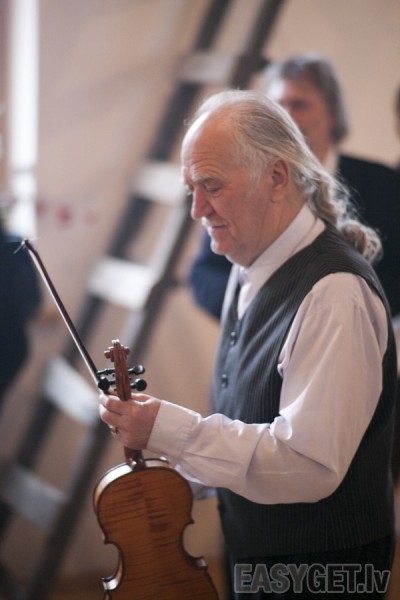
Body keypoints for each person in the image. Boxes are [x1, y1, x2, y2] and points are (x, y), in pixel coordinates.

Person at [100, 90, 397, 599]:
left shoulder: (335, 294)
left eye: (212, 185)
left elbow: (308, 464)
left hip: (323, 571)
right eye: (191, 189)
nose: (197, 209)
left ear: (277, 177)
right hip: (256, 552)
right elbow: (250, 422)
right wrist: (178, 471)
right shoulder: (247, 262)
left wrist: (172, 430)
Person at [189, 54, 400, 322]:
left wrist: (332, 311)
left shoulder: (384, 184)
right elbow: (205, 274)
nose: (287, 117)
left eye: (299, 105)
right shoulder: (248, 181)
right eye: (278, 106)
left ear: (333, 114)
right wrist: (268, 308)